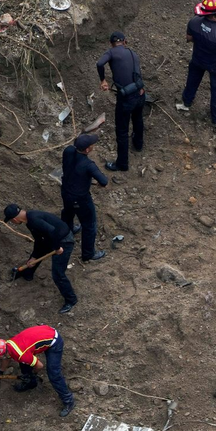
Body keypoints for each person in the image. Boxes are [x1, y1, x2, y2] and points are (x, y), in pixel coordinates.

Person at [3, 204, 77, 314]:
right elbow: (39, 241)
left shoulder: (33, 220)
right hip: (52, 238)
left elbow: (52, 231)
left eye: (11, 221)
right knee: (36, 254)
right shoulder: (29, 221)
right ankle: (28, 273)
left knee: (58, 273)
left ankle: (71, 300)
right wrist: (34, 257)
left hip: (64, 240)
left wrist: (57, 248)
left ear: (14, 219)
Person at [0, 325, 74, 417]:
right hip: (44, 332)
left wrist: (33, 374)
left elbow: (40, 366)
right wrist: (0, 370)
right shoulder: (8, 345)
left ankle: (68, 400)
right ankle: (31, 383)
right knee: (24, 364)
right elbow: (7, 357)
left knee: (54, 374)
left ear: (3, 354)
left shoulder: (21, 354)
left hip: (54, 341)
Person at [96, 31, 145, 172]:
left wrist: (103, 80)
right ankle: (138, 144)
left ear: (111, 44)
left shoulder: (111, 53)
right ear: (125, 41)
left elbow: (99, 63)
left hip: (126, 98)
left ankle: (122, 164)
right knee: (138, 119)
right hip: (140, 93)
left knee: (122, 131)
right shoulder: (133, 54)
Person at [60, 134, 108, 263]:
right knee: (89, 225)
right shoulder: (88, 164)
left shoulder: (68, 151)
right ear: (87, 150)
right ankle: (88, 253)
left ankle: (66, 232)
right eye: (92, 145)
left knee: (67, 213)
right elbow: (104, 181)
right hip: (80, 198)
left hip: (66, 191)